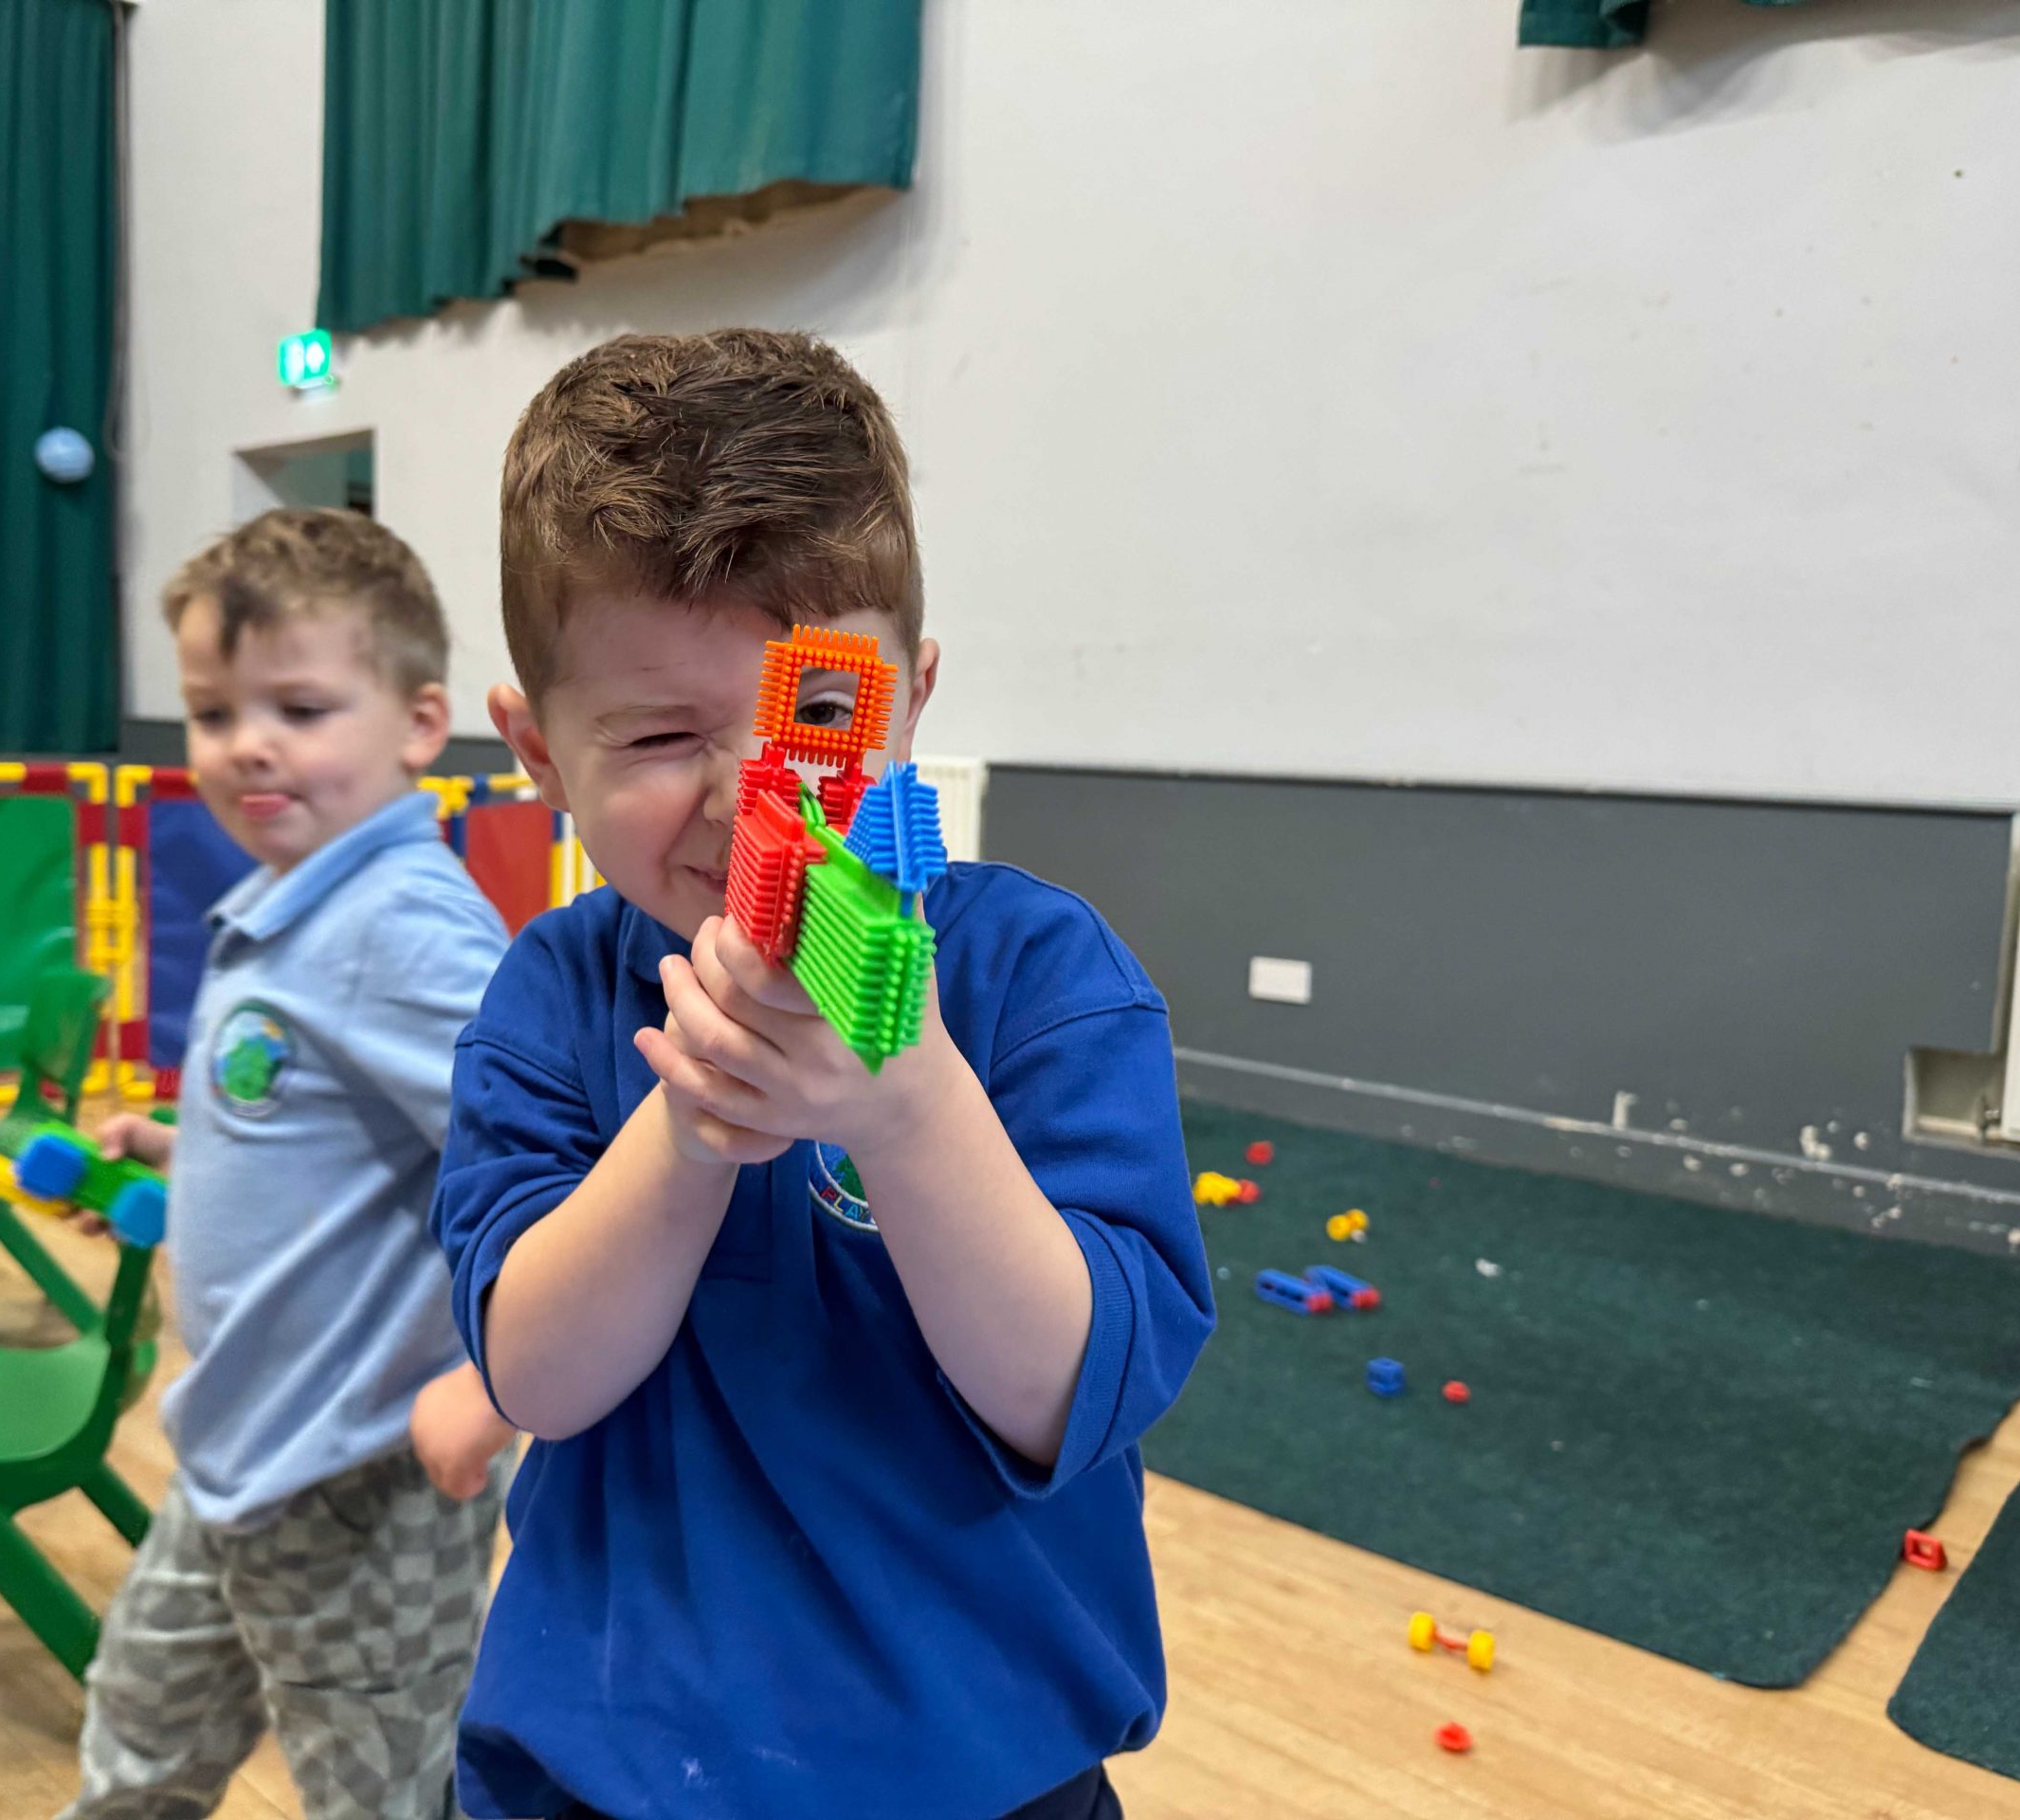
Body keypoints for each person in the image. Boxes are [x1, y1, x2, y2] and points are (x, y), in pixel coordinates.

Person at [433, 331, 1217, 1820]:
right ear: (537, 750)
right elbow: (538, 1375)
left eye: (820, 721)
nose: (758, 803)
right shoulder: (549, 1000)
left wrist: (907, 1102)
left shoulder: (1043, 978)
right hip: (608, 1771)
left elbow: (1068, 1392)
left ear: (911, 700)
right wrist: (692, 1124)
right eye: (662, 735)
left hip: (985, 1772)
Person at [62, 507, 517, 1820]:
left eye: (301, 709)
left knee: (386, 1793)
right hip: (237, 1450)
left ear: (419, 725)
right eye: (212, 713)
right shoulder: (295, 894)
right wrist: (183, 1153)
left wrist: (502, 1382)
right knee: (139, 1731)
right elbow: (333, 1133)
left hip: (361, 1479)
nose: (247, 744)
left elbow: (555, 1163)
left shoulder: (400, 922)